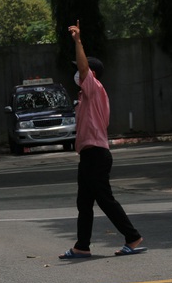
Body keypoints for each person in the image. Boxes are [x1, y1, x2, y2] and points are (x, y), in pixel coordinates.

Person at [59, 20, 145, 259]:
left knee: (104, 200)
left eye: (80, 68)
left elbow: (85, 70)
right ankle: (82, 246)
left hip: (96, 154)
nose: (77, 72)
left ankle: (133, 237)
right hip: (88, 155)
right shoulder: (86, 96)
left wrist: (78, 42)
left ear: (91, 73)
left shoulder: (94, 88)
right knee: (84, 203)